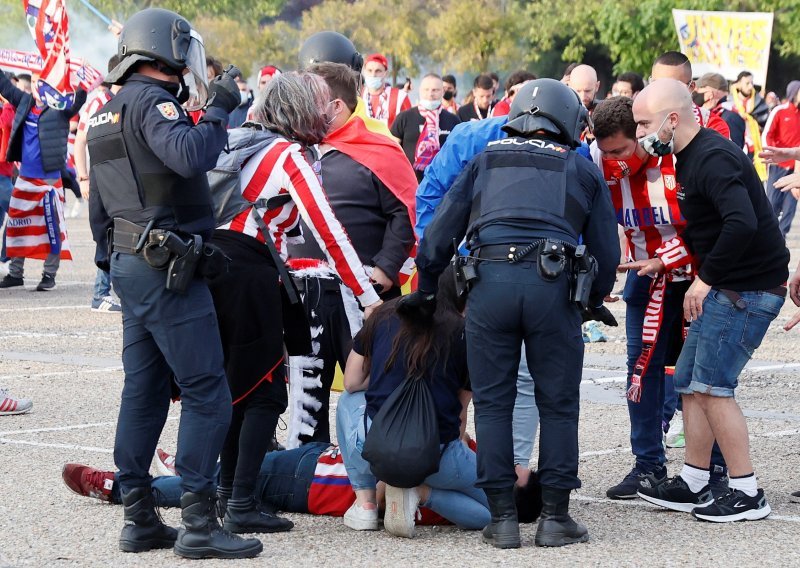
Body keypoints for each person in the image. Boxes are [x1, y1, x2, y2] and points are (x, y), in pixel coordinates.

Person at [407, 79, 619, 548]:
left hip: (488, 286)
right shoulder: (580, 169)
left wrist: (425, 290)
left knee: (494, 403)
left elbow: (438, 234)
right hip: (553, 287)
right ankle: (555, 518)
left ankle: (501, 518)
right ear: (565, 120)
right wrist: (594, 298)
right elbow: (606, 247)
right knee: (559, 404)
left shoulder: (485, 159)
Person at [85, 8, 261, 559]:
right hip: (165, 265)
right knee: (208, 392)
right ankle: (200, 526)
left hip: (130, 263)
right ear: (166, 51)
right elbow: (190, 155)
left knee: (143, 389)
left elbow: (99, 210)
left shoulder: (106, 112)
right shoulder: (152, 103)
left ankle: (139, 517)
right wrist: (220, 110)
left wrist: (115, 265)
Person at [208, 71, 382, 534]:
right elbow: (328, 231)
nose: (328, 112)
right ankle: (241, 501)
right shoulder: (287, 155)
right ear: (301, 109)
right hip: (250, 270)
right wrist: (367, 297)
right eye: (322, 104)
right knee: (264, 391)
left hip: (211, 266)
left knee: (234, 388)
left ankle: (227, 493)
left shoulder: (236, 140)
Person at [633, 79, 789, 522]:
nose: (642, 130)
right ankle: (695, 481)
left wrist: (705, 280)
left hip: (747, 289)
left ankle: (746, 491)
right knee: (688, 380)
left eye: (645, 122)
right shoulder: (687, 156)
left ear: (673, 119)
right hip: (727, 284)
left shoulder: (713, 157)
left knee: (713, 388)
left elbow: (740, 223)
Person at [286, 62, 416, 446]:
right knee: (306, 389)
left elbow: (405, 215)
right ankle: (305, 475)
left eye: (308, 99)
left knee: (376, 385)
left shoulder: (381, 149)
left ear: (337, 106)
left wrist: (385, 272)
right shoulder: (293, 150)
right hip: (305, 293)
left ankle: (379, 472)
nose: (299, 107)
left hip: (366, 294)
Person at [336, 266, 491, 538]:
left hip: (378, 446)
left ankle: (366, 503)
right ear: (465, 299)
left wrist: (391, 377)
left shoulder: (384, 314)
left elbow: (351, 382)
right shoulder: (466, 333)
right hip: (436, 456)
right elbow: (460, 416)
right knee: (497, 510)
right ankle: (420, 492)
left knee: (350, 400)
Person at [590, 97, 692, 500]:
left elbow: (704, 226)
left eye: (618, 149)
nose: (611, 159)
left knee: (697, 376)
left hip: (690, 275)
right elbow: (616, 164)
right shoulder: (606, 161)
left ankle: (713, 468)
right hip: (642, 277)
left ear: (640, 132)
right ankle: (648, 465)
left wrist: (666, 258)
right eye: (605, 150)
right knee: (640, 372)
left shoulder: (680, 157)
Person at [61, 442, 544, 526]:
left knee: (231, 482)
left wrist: (423, 494)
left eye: (520, 472)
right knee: (237, 468)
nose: (515, 463)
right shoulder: (473, 463)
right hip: (321, 465)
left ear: (512, 491)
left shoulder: (470, 499)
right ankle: (178, 472)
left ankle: (125, 489)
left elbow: (483, 518)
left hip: (314, 485)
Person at [0, 70, 85, 291]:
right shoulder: (24, 102)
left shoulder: (60, 108)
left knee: (52, 228)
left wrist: (79, 83)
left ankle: (49, 276)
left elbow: (79, 100)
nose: (39, 85)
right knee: (17, 225)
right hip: (25, 178)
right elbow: (5, 87)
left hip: (50, 180)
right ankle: (15, 273)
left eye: (43, 81)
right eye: (37, 82)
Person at [73, 55, 123, 313]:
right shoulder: (99, 101)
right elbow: (80, 140)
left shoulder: (130, 101)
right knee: (107, 236)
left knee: (123, 236)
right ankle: (100, 294)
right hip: (102, 180)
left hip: (122, 181)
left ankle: (121, 292)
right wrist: (82, 177)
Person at [390, 73, 461, 181]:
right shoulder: (404, 118)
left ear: (442, 91)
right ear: (420, 91)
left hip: (443, 183)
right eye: (426, 90)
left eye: (435, 90)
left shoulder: (453, 120)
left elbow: (459, 153)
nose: (430, 94)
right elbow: (391, 151)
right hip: (409, 182)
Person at [649, 51, 730, 139]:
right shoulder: (641, 122)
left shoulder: (713, 126)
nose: (661, 92)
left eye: (671, 85)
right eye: (655, 84)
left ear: (690, 87)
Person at [761, 80, 800, 238]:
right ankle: (768, 238)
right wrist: (772, 156)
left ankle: (781, 237)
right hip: (779, 167)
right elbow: (767, 134)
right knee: (772, 205)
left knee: (790, 208)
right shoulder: (780, 110)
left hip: (796, 169)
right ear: (794, 92)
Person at [694, 73, 746, 152]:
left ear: (709, 93)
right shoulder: (718, 112)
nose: (695, 92)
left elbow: (732, 154)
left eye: (699, 88)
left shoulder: (729, 117)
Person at [360, 53, 411, 128]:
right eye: (369, 70)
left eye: (378, 71)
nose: (373, 75)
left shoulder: (400, 97)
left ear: (386, 73)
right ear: (364, 72)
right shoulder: (357, 95)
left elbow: (409, 125)